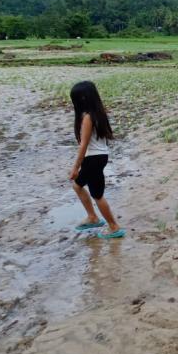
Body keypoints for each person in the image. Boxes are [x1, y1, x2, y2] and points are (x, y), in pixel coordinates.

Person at [69, 80, 124, 239]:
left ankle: (112, 226)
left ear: (82, 100)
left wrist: (75, 168)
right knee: (82, 187)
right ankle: (93, 217)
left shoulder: (87, 117)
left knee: (95, 193)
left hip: (93, 158)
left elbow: (84, 145)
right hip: (100, 157)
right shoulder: (98, 113)